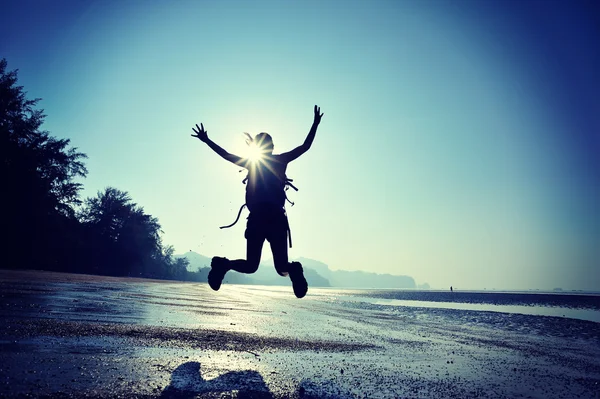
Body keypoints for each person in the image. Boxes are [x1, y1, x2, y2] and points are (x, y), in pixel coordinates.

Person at [191, 105, 324, 298]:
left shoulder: (252, 163)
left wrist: (207, 140)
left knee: (253, 266)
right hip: (275, 219)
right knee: (280, 268)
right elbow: (304, 147)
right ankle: (293, 270)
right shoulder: (279, 160)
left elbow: (227, 155)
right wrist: (315, 124)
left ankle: (224, 265)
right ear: (271, 148)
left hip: (259, 219)